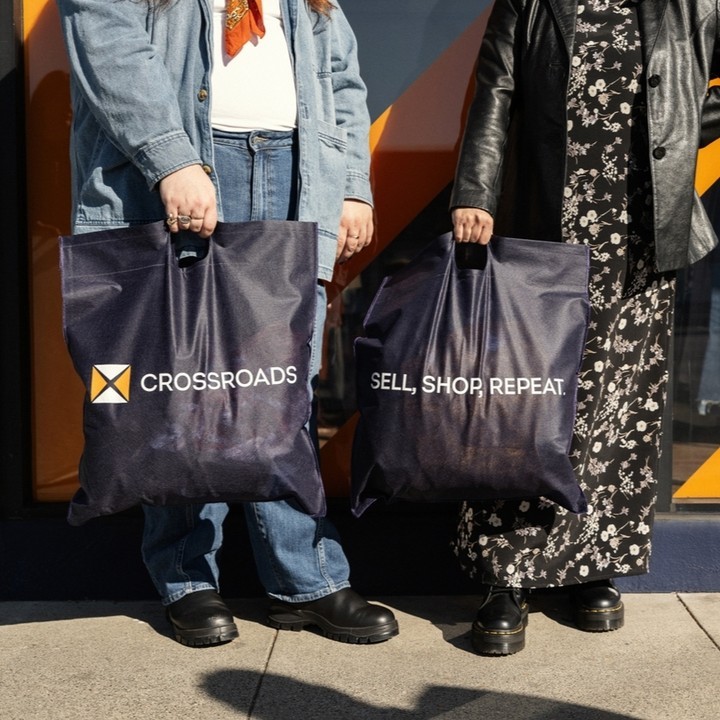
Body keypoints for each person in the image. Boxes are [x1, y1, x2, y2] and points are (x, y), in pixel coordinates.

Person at [56, 0, 399, 647]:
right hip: (188, 161)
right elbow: (102, 29)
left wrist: (352, 181)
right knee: (179, 387)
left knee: (281, 386)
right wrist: (172, 159)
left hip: (291, 167)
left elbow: (342, 73)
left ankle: (307, 579)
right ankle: (188, 577)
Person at [450, 0, 720, 655]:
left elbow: (684, 91)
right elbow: (497, 90)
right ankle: (506, 574)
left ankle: (591, 567)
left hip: (642, 232)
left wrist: (679, 125)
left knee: (616, 410)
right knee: (524, 407)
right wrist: (475, 191)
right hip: (545, 224)